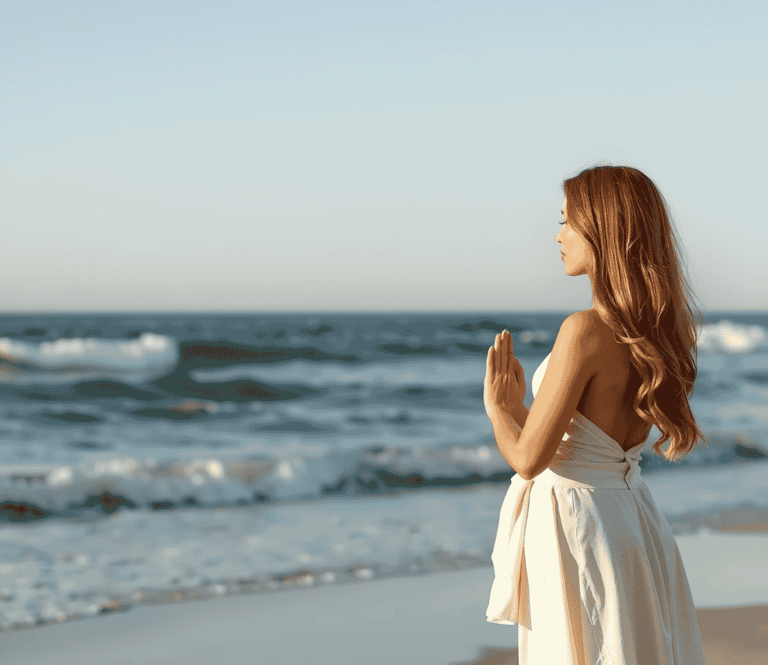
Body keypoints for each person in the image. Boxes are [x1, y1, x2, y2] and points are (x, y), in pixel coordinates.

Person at [483, 165, 707, 663]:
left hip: (576, 524)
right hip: (629, 519)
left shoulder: (583, 330)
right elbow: (593, 441)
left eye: (568, 221)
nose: (558, 234)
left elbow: (528, 459)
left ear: (604, 230)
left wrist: (499, 409)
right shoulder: (662, 333)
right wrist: (524, 406)